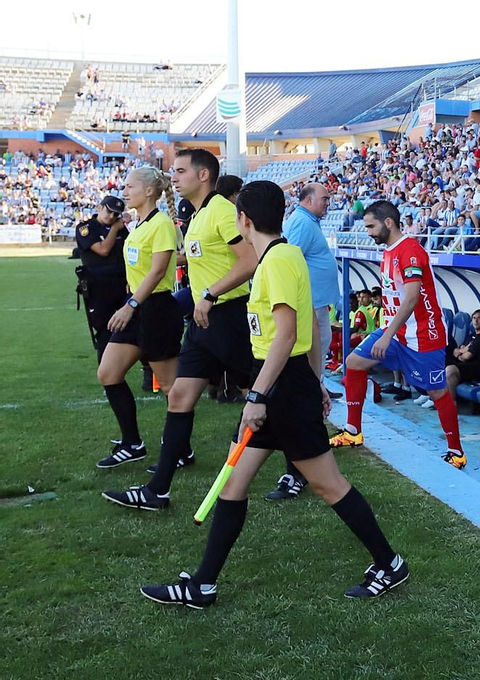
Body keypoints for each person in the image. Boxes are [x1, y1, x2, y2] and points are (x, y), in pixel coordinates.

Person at [140, 181, 408, 608]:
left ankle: (389, 563)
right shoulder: (275, 257)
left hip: (280, 387)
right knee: (233, 482)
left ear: (244, 220)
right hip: (280, 382)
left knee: (329, 485)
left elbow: (286, 337)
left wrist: (257, 397)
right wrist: (311, 382)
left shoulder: (278, 260)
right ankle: (203, 584)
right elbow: (306, 329)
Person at [105, 150, 258, 510]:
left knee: (262, 395)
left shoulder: (220, 209)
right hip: (205, 321)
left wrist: (209, 294)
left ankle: (301, 464)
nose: (173, 177)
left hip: (229, 316)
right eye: (172, 171)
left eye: (180, 170)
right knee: (178, 397)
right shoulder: (198, 214)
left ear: (204, 175)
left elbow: (250, 261)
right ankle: (157, 490)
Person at [333, 200, 467, 469]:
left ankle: (456, 451)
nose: (369, 232)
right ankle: (353, 431)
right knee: (354, 363)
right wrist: (387, 332)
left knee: (437, 391)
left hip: (423, 335)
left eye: (371, 226)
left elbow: (412, 298)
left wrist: (385, 335)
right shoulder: (389, 251)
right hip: (396, 332)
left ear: (389, 223)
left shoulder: (410, 252)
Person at [96, 166, 184, 469]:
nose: (124, 190)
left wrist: (130, 304)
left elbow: (159, 270)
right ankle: (132, 443)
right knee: (108, 373)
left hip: (154, 309)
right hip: (136, 306)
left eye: (129, 186)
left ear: (149, 191)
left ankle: (181, 450)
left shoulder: (160, 223)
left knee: (172, 387)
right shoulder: (140, 224)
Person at [266, 181, 341, 501]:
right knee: (305, 378)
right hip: (306, 309)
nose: (329, 202)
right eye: (324, 198)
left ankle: (299, 465)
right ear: (308, 200)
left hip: (314, 306)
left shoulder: (307, 221)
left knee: (311, 374)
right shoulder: (299, 223)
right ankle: (299, 466)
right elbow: (288, 261)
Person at [75, 195, 129, 357]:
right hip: (98, 288)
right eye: (109, 211)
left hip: (121, 285)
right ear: (99, 207)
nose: (111, 216)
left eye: (116, 214)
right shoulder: (86, 228)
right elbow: (103, 250)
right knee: (105, 331)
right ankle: (108, 376)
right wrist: (114, 229)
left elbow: (128, 253)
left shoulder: (120, 228)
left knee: (131, 328)